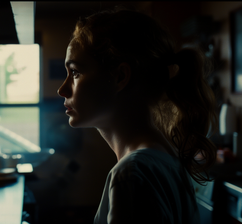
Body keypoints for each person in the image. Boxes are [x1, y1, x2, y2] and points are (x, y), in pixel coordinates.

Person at [57, 7, 218, 224]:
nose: (62, 90)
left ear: (120, 77)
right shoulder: (164, 156)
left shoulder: (132, 174)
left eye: (75, 72)